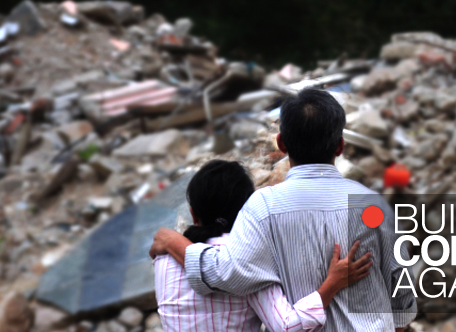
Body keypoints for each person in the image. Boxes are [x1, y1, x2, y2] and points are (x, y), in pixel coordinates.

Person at [150, 88, 416, 332]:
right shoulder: (373, 205)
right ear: (340, 146)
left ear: (281, 144)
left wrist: (174, 242)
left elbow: (228, 273)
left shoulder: (263, 207)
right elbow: (400, 284)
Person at [154, 160, 373, 332]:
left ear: (193, 214)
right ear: (245, 210)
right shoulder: (248, 255)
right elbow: (287, 326)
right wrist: (333, 283)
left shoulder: (164, 259)